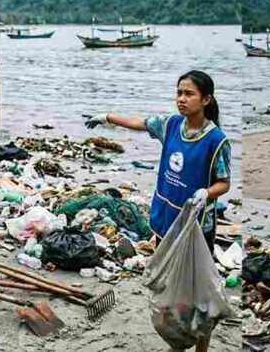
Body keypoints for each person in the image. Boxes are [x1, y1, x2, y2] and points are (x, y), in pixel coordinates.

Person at [85, 70, 230, 352]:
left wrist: (206, 193)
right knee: (170, 288)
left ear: (206, 99)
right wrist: (107, 117)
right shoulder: (171, 125)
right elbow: (140, 123)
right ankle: (177, 341)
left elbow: (224, 183)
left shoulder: (217, 140)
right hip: (167, 221)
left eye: (189, 94)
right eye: (179, 93)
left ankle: (201, 346)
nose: (181, 99)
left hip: (196, 228)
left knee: (199, 293)